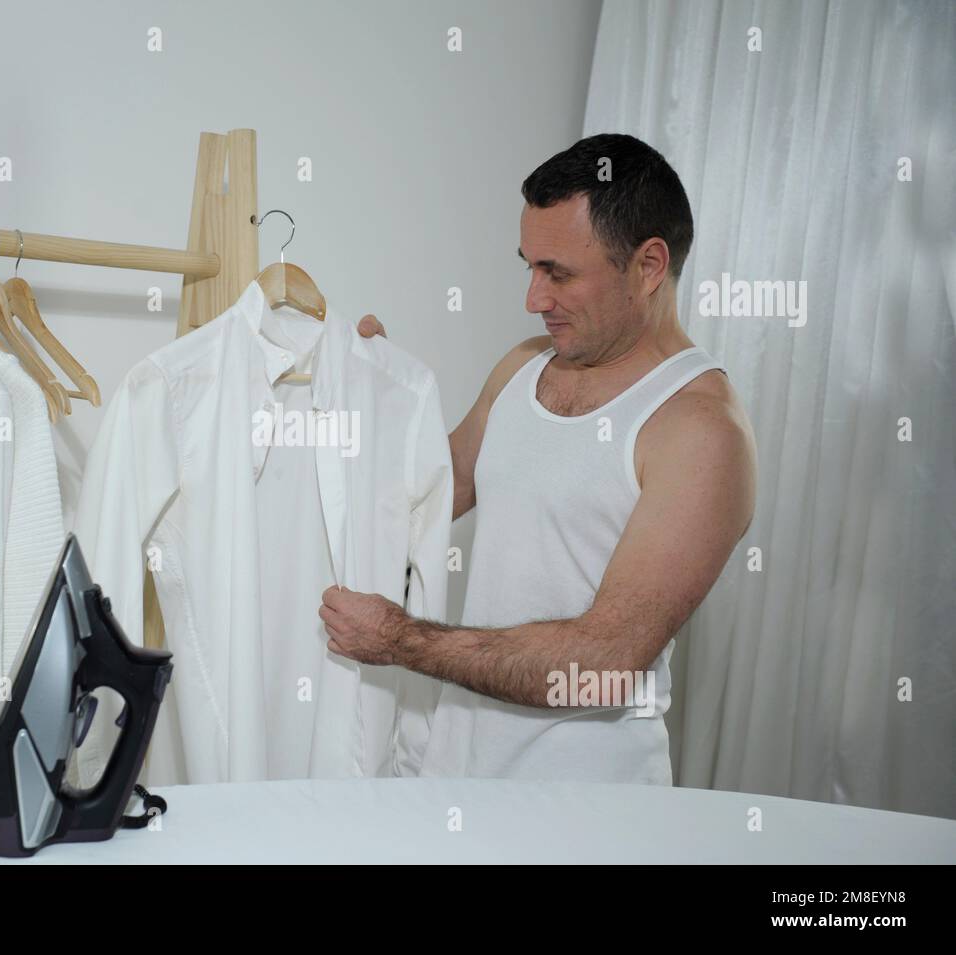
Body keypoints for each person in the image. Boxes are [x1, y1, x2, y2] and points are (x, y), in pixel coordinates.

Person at [319, 133, 757, 783]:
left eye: (558, 272)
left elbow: (603, 663)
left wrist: (401, 639)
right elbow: (426, 490)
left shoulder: (701, 432)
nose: (534, 298)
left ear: (649, 265)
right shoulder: (523, 367)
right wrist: (371, 389)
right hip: (453, 768)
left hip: (584, 803)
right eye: (529, 265)